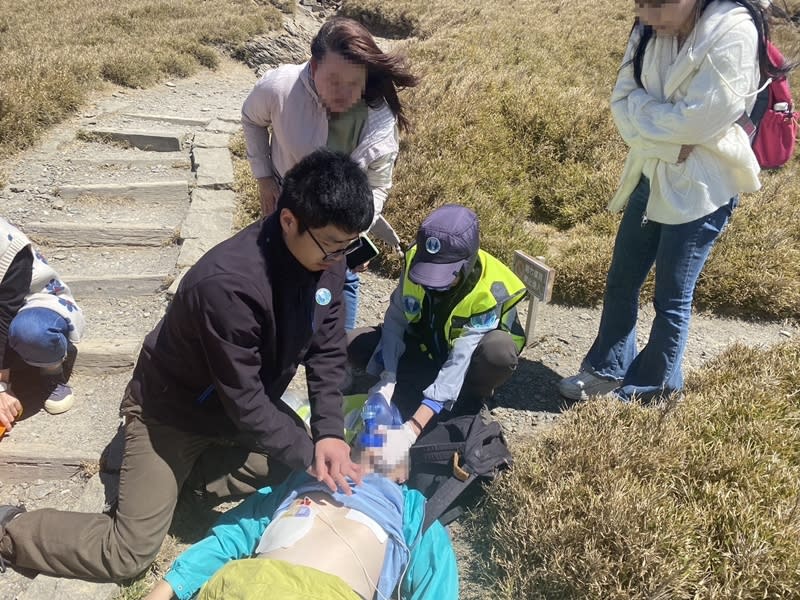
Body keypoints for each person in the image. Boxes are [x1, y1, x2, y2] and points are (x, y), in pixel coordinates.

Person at [0, 150, 374, 581]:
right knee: (127, 554)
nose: (340, 257)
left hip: (234, 409)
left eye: (349, 245)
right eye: (332, 245)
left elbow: (327, 352)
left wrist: (328, 434)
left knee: (303, 457)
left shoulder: (327, 256)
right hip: (170, 414)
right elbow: (247, 402)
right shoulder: (229, 284)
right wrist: (312, 453)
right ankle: (12, 530)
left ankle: (184, 485)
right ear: (289, 219)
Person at [558, 0, 776, 402]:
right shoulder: (649, 29)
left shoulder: (734, 31)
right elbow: (622, 100)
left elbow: (700, 120)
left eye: (657, 5)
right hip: (652, 169)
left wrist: (649, 120)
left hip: (702, 185)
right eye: (640, 4)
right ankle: (608, 368)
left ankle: (650, 390)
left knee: (672, 294)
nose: (646, 16)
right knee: (622, 278)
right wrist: (666, 134)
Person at [241, 16, 419, 331]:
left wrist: (357, 230)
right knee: (279, 272)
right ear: (313, 67)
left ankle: (336, 356)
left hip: (343, 219)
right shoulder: (281, 87)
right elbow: (251, 117)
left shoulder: (378, 115)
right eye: (333, 80)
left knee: (341, 279)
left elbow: (378, 182)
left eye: (354, 83)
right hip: (291, 206)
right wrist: (264, 177)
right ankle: (280, 342)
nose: (343, 93)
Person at [347, 204, 528, 460]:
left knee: (498, 352)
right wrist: (387, 376)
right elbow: (396, 320)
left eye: (445, 276)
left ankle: (468, 398)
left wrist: (413, 428)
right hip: (425, 348)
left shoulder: (489, 290)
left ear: (466, 264)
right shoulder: (413, 260)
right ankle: (414, 384)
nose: (434, 283)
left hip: (467, 366)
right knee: (354, 343)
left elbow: (459, 360)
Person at [143, 470, 458, 600]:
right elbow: (234, 535)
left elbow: (436, 585)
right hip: (244, 586)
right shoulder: (299, 482)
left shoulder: (414, 510)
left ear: (402, 470)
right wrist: (167, 588)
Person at [0, 217, 85, 427]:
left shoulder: (7, 242)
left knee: (31, 331)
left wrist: (1, 386)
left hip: (31, 305)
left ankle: (50, 369)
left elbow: (5, 313)